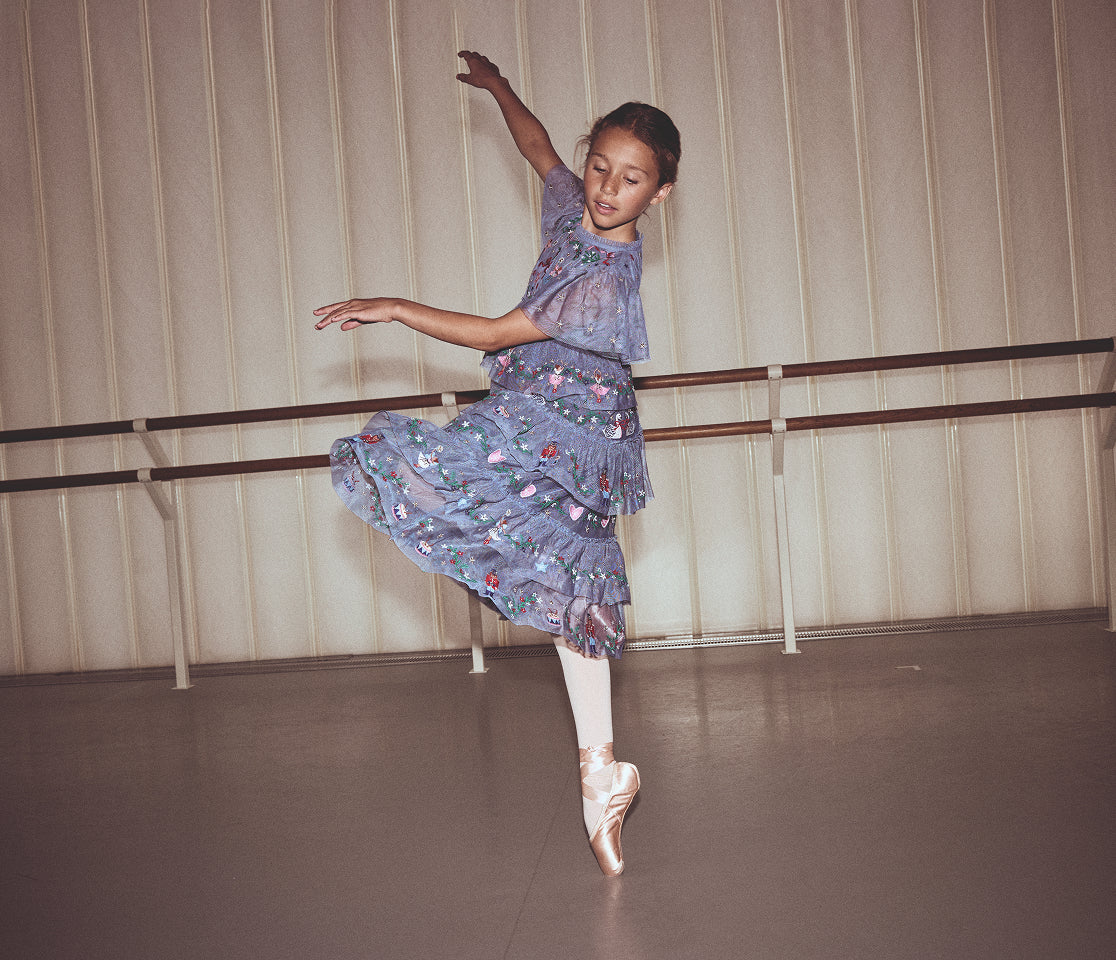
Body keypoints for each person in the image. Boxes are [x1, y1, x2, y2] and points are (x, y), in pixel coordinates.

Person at [314, 51, 680, 876]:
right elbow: (539, 150)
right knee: (560, 592)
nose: (604, 188)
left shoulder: (602, 274)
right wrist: (499, 88)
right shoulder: (569, 210)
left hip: (575, 440)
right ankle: (602, 775)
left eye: (630, 181)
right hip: (532, 417)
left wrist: (395, 305)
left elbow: (489, 335)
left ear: (659, 194)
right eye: (601, 168)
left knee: (571, 590)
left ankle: (599, 772)